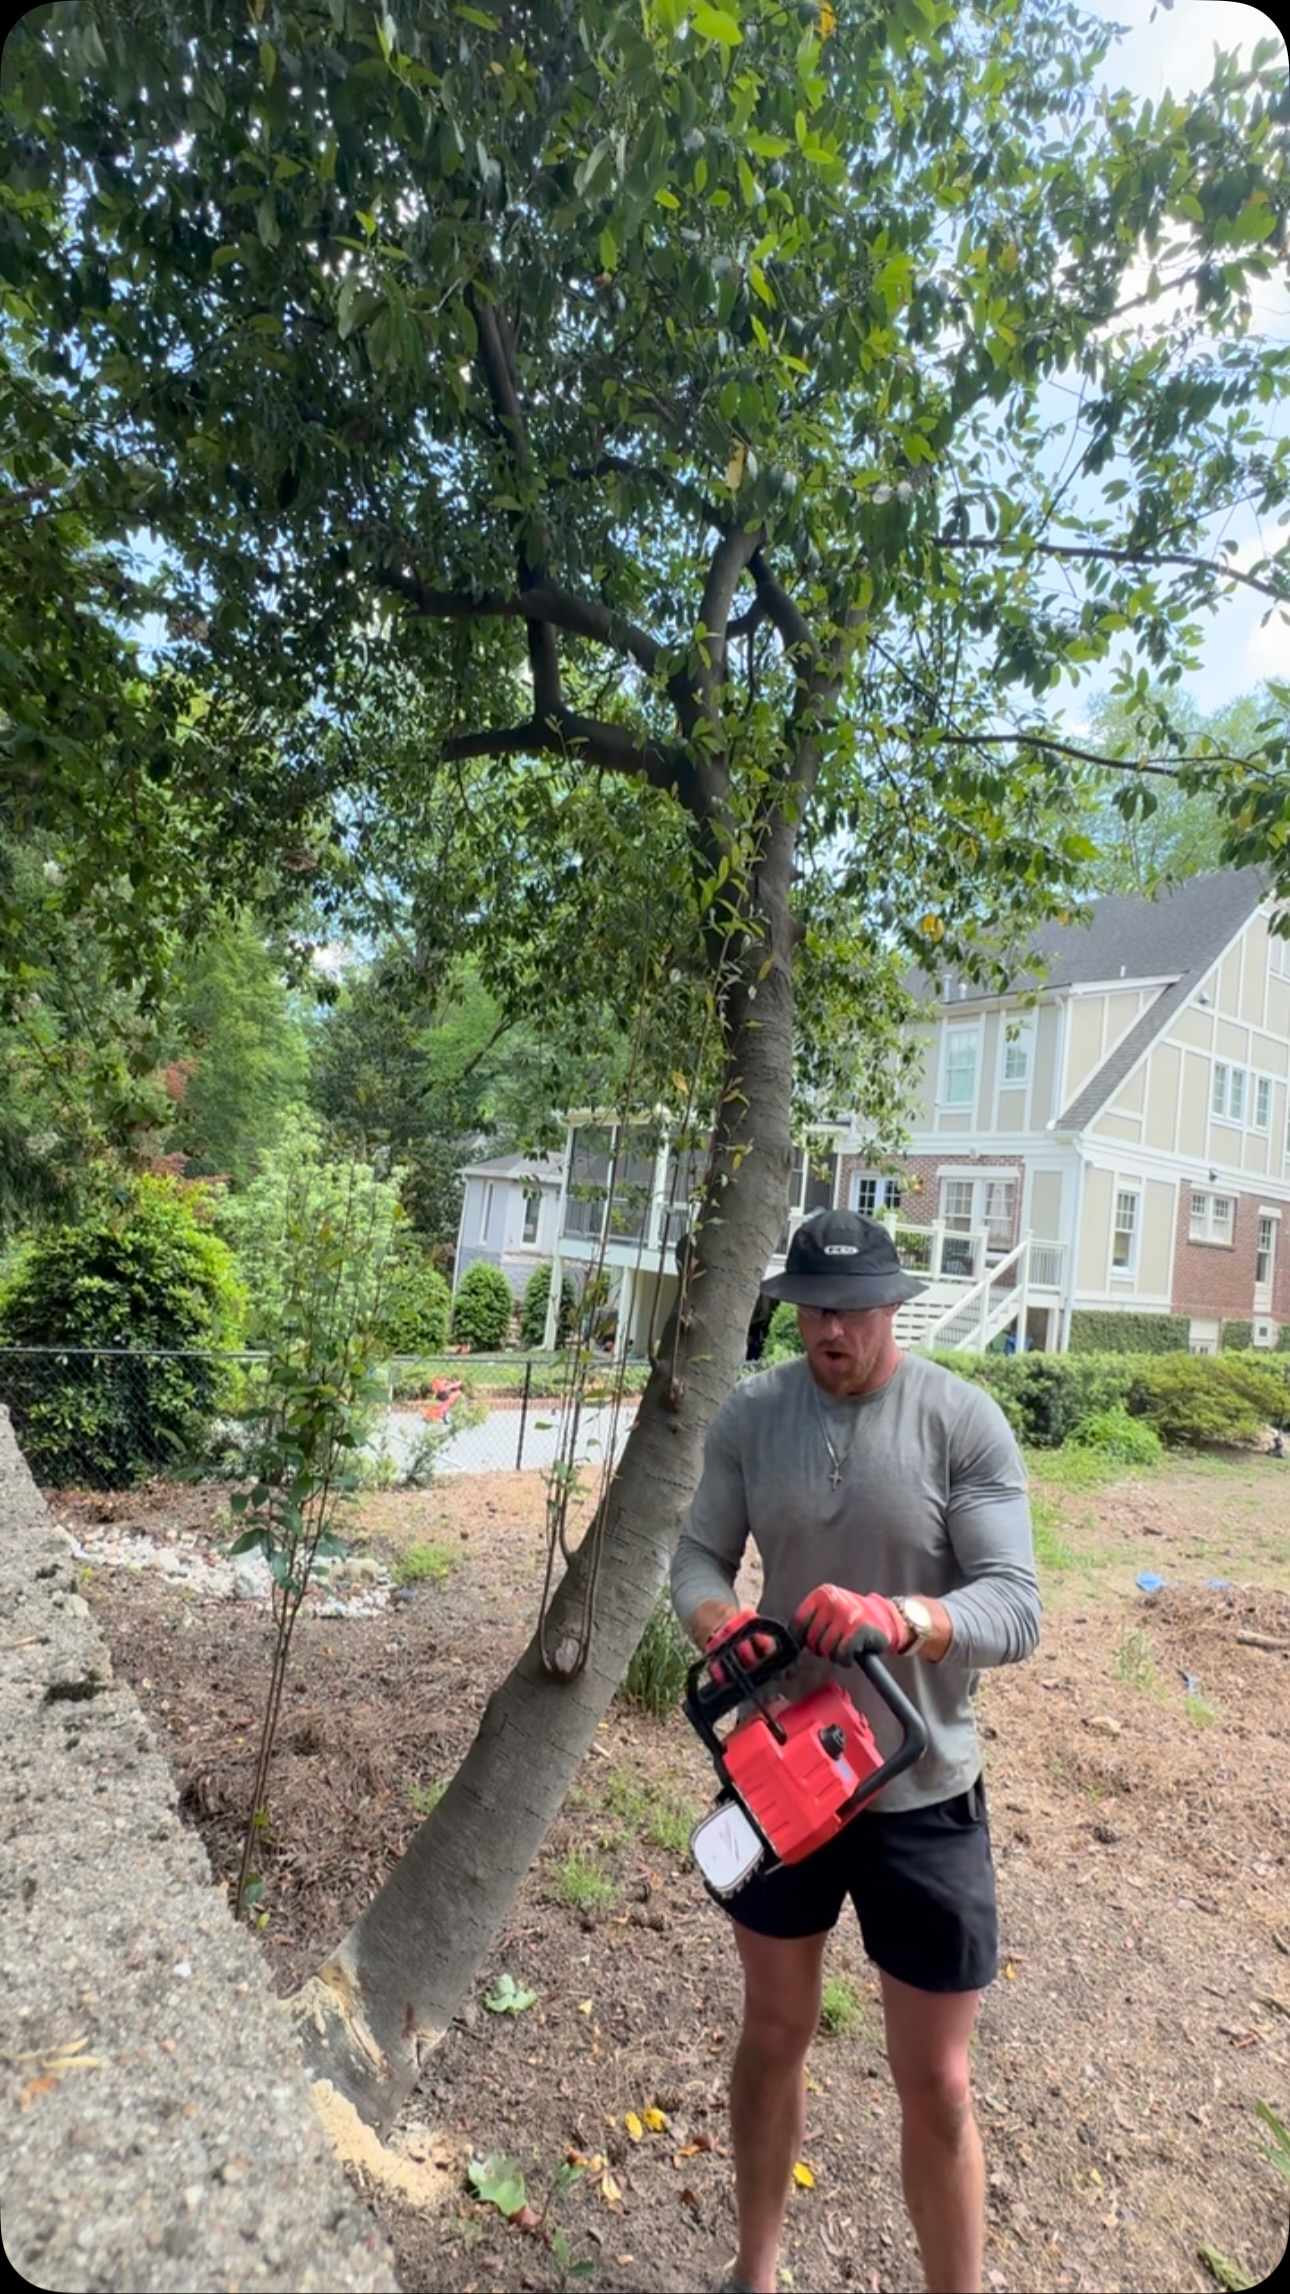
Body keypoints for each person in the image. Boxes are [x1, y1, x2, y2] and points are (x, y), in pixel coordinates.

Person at [671, 1207, 1040, 2294]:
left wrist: (906, 1616)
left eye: (853, 1309)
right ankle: (756, 2268)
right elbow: (698, 1552)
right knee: (774, 2026)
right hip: (783, 1779)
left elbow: (1015, 1606)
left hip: (920, 1786)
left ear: (894, 1305)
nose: (830, 1328)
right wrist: (714, 1621)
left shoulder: (962, 1421)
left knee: (935, 2079)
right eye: (811, 1309)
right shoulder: (751, 1412)